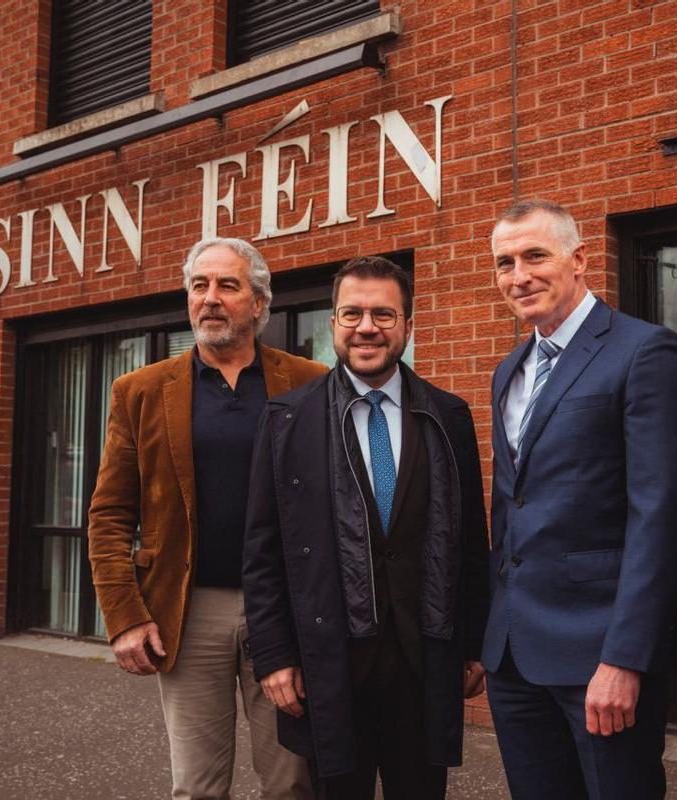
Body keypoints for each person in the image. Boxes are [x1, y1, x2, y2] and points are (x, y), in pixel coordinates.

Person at [242, 256, 489, 800]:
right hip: (328, 661)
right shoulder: (286, 419)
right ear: (333, 324)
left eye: (383, 313)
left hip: (423, 658)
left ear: (408, 324)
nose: (367, 327)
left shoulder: (448, 415)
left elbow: (472, 540)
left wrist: (474, 644)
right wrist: (274, 655)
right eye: (351, 314)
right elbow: (263, 552)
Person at [88, 237, 325, 800]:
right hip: (190, 611)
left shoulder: (312, 382)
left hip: (286, 610)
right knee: (197, 785)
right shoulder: (140, 391)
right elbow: (109, 513)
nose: (211, 299)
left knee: (294, 779)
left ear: (260, 302)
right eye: (200, 286)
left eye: (228, 285)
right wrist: (124, 615)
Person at [482, 199, 677, 799]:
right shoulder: (508, 371)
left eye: (534, 256)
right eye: (504, 263)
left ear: (579, 260)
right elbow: (511, 510)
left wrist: (626, 657)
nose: (518, 275)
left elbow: (659, 516)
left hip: (600, 657)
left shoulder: (643, 351)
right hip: (514, 656)